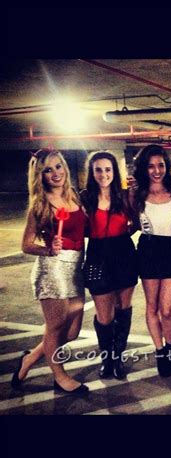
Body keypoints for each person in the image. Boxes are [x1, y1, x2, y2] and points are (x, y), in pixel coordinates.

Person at [14, 148, 88, 394]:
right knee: (55, 328)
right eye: (48, 170)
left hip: (76, 269)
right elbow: (26, 245)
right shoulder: (41, 205)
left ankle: (29, 359)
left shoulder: (74, 196)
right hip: (53, 270)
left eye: (58, 166)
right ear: (40, 176)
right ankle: (60, 376)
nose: (56, 173)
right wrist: (47, 249)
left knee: (72, 332)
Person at [81, 151, 138, 380]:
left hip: (123, 254)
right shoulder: (84, 198)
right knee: (104, 316)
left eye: (108, 169)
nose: (103, 174)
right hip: (97, 256)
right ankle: (107, 358)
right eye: (98, 170)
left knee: (123, 308)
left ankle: (117, 358)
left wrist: (123, 234)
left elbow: (137, 223)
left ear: (115, 172)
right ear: (92, 172)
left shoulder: (124, 196)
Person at [131, 145, 171, 378]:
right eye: (151, 166)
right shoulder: (137, 194)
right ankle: (160, 351)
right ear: (144, 168)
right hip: (148, 250)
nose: (156, 170)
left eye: (160, 165)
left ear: (166, 166)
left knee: (167, 308)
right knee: (152, 306)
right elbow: (130, 223)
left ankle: (170, 346)